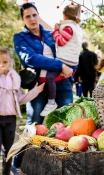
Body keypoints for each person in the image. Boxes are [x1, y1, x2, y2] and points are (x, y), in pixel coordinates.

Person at [11, 3, 74, 174]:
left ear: (38, 15)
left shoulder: (50, 34)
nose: (32, 19)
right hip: (38, 87)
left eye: (34, 15)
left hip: (62, 84)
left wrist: (70, 68)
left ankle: (64, 165)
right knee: (33, 125)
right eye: (27, 16)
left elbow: (67, 51)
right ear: (23, 19)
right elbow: (31, 59)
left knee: (67, 124)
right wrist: (59, 64)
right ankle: (16, 163)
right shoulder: (20, 38)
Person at [0, 46, 44, 175]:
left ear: (10, 61)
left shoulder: (15, 78)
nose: (1, 65)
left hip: (10, 119)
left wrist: (35, 91)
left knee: (9, 152)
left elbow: (20, 99)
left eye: (4, 62)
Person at [40, 4, 82, 117]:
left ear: (65, 16)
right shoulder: (77, 27)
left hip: (65, 59)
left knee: (50, 76)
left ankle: (51, 102)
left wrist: (56, 31)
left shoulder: (69, 28)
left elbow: (60, 41)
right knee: (56, 75)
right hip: (72, 60)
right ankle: (52, 102)